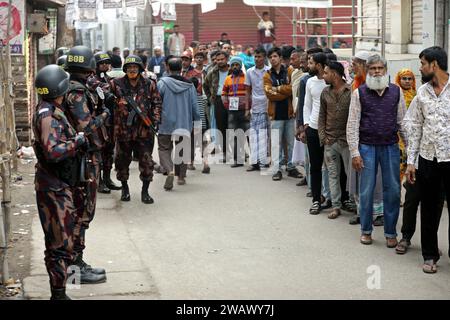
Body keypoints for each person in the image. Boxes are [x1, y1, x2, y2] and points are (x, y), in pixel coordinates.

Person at [33, 64, 87, 300]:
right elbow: (53, 152)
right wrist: (77, 141)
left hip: (60, 184)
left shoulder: (51, 109)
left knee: (67, 238)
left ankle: (66, 288)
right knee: (59, 243)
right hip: (54, 187)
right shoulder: (49, 116)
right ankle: (59, 294)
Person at [347, 54, 406, 247]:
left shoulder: (396, 92)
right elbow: (353, 124)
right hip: (367, 147)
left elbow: (402, 123)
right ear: (368, 71)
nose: (376, 71)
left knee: (394, 191)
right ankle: (366, 230)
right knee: (366, 190)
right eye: (372, 68)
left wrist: (410, 150)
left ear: (385, 70)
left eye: (380, 68)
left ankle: (390, 232)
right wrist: (355, 152)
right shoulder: (359, 93)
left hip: (390, 147)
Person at [64, 46, 108, 284]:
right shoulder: (78, 92)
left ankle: (76, 262)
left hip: (82, 157)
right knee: (82, 212)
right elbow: (85, 125)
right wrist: (104, 116)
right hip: (83, 159)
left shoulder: (72, 87)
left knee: (81, 212)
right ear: (89, 66)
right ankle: (75, 267)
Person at [404, 46, 450, 273]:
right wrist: (411, 161)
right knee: (430, 209)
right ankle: (430, 254)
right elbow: (413, 128)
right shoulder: (421, 93)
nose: (420, 67)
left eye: (423, 63)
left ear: (435, 65)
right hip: (428, 159)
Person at [109, 55, 162, 203]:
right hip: (123, 131)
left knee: (146, 162)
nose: (132, 69)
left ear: (140, 68)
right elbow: (105, 98)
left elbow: (157, 103)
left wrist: (156, 120)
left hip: (144, 131)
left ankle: (145, 191)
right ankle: (124, 189)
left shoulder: (149, 84)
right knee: (122, 161)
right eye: (129, 67)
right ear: (125, 69)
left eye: (135, 67)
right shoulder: (116, 84)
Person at [158, 57, 201, 189]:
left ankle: (169, 170)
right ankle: (181, 177)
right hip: (184, 122)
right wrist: (197, 121)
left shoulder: (162, 84)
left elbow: (156, 103)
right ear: (181, 69)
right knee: (182, 149)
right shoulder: (189, 85)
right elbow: (195, 105)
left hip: (165, 123)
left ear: (168, 68)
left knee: (164, 148)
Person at [319, 61, 353, 219]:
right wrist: (323, 137)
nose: (323, 76)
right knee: (332, 174)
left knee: (351, 175)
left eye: (326, 73)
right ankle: (336, 206)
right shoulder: (325, 92)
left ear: (334, 74)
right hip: (330, 141)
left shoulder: (351, 91)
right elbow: (321, 116)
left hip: (347, 141)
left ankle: (356, 205)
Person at [264, 47, 302, 181]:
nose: (272, 59)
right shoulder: (267, 74)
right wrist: (284, 93)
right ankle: (277, 169)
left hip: (289, 113)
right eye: (270, 57)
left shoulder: (290, 71)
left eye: (275, 56)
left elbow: (293, 89)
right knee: (276, 143)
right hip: (275, 115)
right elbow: (269, 94)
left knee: (291, 143)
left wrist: (278, 89)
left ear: (280, 57)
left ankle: (291, 167)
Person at [87, 52, 122, 194]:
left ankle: (107, 178)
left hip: (111, 121)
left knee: (109, 152)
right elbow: (102, 88)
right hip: (99, 121)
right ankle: (100, 181)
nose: (105, 65)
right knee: (99, 153)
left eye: (107, 63)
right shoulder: (91, 79)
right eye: (102, 63)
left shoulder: (108, 78)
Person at [303, 52, 330, 214]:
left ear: (319, 65)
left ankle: (332, 198)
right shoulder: (309, 82)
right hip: (313, 129)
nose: (309, 65)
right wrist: (306, 123)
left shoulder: (331, 82)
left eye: (311, 63)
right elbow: (306, 104)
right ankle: (316, 199)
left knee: (332, 166)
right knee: (315, 166)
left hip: (329, 130)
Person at [245, 47, 270, 171]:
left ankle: (263, 160)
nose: (257, 59)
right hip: (255, 107)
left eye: (259, 56)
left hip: (268, 107)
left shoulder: (269, 71)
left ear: (264, 57)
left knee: (264, 135)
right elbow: (247, 91)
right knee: (254, 135)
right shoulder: (249, 72)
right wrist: (246, 108)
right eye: (255, 56)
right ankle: (254, 161)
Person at [222, 56, 250, 167]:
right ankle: (238, 160)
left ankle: (255, 160)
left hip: (245, 111)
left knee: (249, 134)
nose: (235, 67)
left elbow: (250, 93)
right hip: (232, 111)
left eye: (237, 65)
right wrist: (227, 105)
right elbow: (224, 93)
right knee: (235, 135)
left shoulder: (247, 78)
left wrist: (249, 106)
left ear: (240, 66)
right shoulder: (228, 79)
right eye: (233, 65)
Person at [204, 50, 230, 162]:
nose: (219, 61)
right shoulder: (212, 72)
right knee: (221, 127)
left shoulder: (232, 70)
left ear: (227, 59)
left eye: (222, 59)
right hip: (218, 100)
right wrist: (211, 97)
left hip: (232, 99)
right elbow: (205, 85)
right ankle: (224, 152)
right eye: (218, 60)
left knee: (233, 126)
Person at [395, 68, 417, 182]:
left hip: (413, 137)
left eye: (410, 79)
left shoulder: (417, 96)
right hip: (398, 137)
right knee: (397, 170)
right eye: (404, 78)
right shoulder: (394, 95)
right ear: (399, 79)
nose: (407, 81)